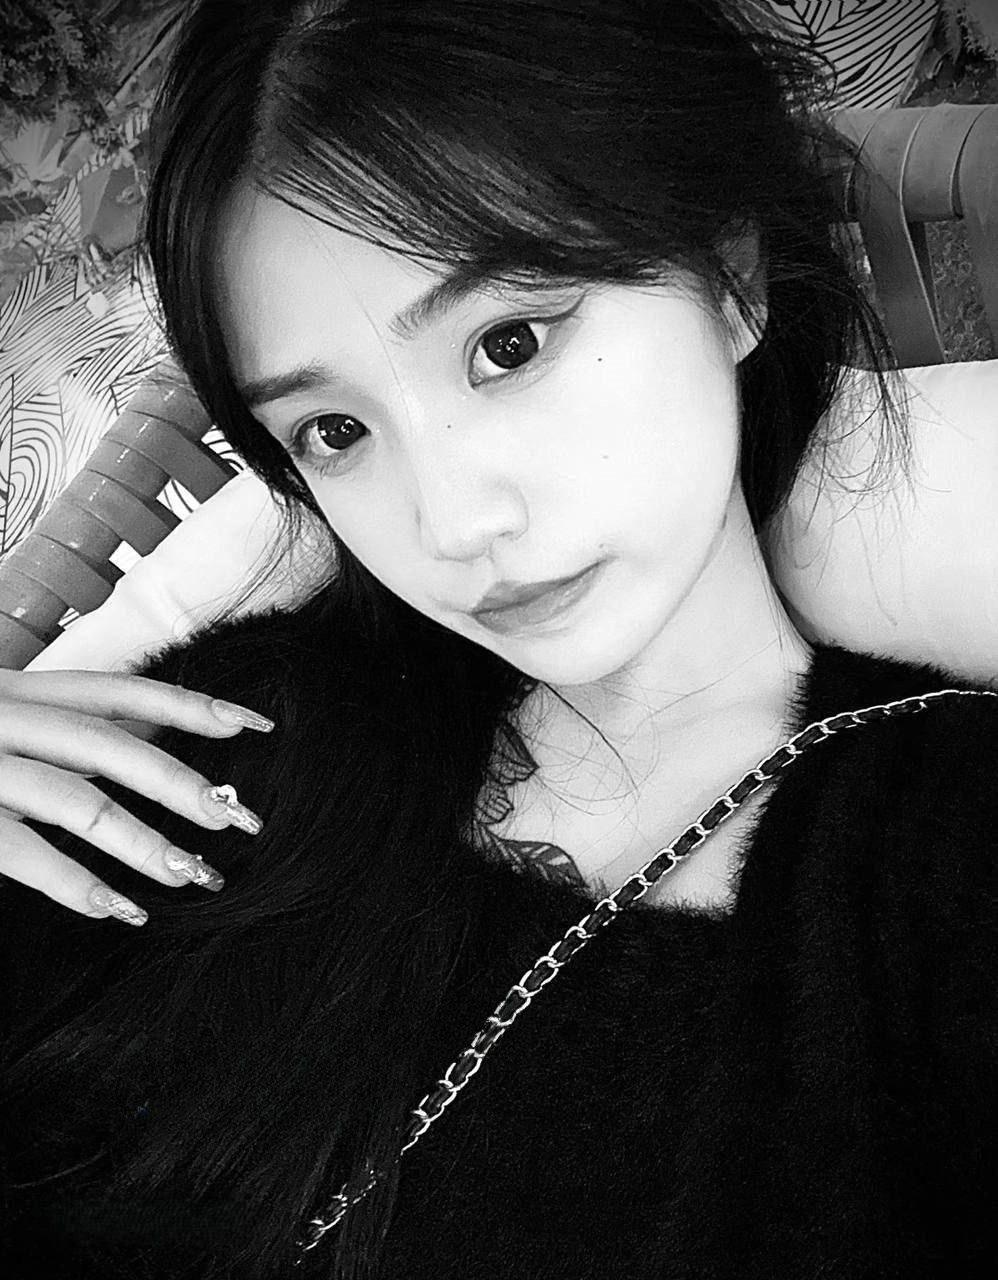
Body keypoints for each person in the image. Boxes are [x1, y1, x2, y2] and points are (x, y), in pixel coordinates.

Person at [1, 1, 995, 1277]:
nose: (450, 523)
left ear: (729, 275)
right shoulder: (212, 743)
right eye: (334, 432)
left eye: (506, 345)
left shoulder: (938, 848)